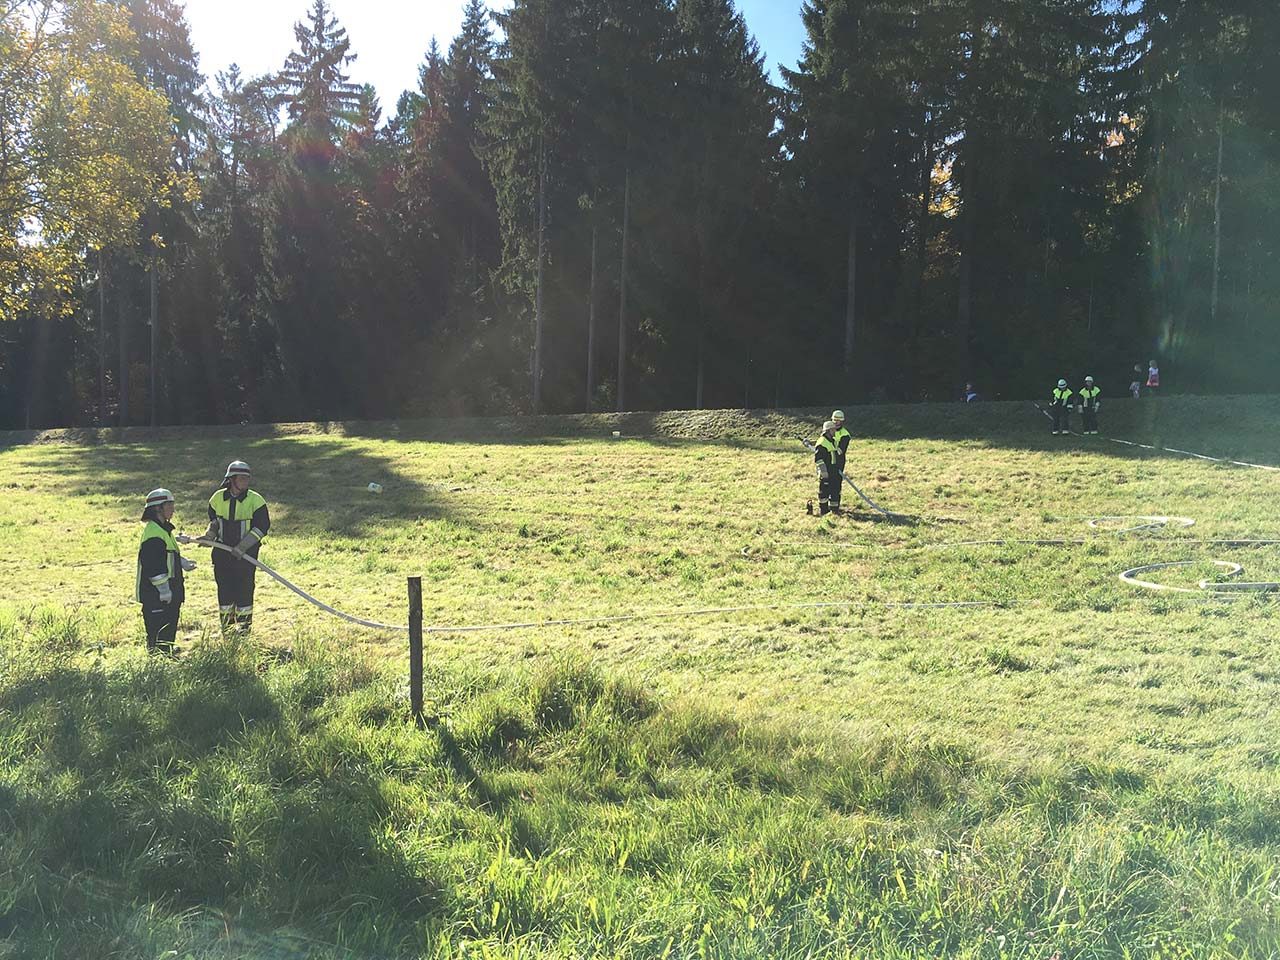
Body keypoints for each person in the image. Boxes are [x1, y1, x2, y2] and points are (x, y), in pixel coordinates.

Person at [205, 460, 270, 633]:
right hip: (222, 556)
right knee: (224, 592)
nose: (246, 481)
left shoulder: (256, 501)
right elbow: (214, 521)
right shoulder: (217, 498)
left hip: (245, 558)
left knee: (244, 592)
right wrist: (209, 535)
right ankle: (227, 630)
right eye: (242, 478)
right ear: (231, 479)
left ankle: (243, 630)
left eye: (247, 478)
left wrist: (243, 547)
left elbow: (261, 528)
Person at [136, 488, 195, 654]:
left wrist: (182, 562)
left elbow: (168, 556)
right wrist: (164, 590)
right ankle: (159, 664)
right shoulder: (154, 533)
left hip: (169, 593)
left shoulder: (164, 530)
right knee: (158, 635)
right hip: (156, 596)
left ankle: (167, 655)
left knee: (168, 632)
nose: (173, 509)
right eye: (169, 505)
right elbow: (153, 566)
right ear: (157, 509)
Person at [812, 420, 840, 516]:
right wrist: (824, 473)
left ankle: (834, 511)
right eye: (833, 430)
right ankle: (824, 511)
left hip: (834, 471)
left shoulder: (833, 441)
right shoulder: (822, 442)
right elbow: (818, 460)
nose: (835, 432)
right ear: (828, 431)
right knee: (824, 492)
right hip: (826, 472)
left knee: (835, 491)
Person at [830, 409, 851, 514]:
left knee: (836, 484)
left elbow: (840, 451)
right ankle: (827, 507)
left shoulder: (845, 435)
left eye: (838, 420)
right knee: (826, 484)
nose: (836, 422)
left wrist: (828, 449)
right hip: (828, 461)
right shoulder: (829, 431)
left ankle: (835, 507)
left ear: (842, 421)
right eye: (834, 420)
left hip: (838, 463)